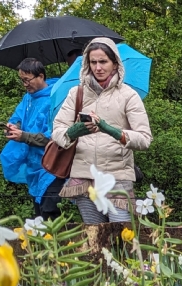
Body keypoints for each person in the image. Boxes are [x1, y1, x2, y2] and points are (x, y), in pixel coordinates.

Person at [51, 38, 152, 224]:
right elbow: (57, 130)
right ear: (87, 64)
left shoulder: (128, 95)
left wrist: (111, 130)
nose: (98, 67)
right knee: (94, 235)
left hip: (117, 177)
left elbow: (144, 139)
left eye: (103, 61)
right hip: (83, 177)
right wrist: (74, 132)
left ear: (115, 64)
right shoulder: (76, 93)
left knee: (121, 235)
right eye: (93, 62)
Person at [0, 57, 65, 220]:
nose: (25, 84)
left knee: (50, 213)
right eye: (22, 80)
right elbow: (18, 118)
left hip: (52, 165)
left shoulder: (56, 99)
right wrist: (13, 127)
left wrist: (23, 136)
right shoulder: (28, 98)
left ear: (41, 76)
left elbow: (53, 137)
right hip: (33, 165)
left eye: (27, 80)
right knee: (39, 215)